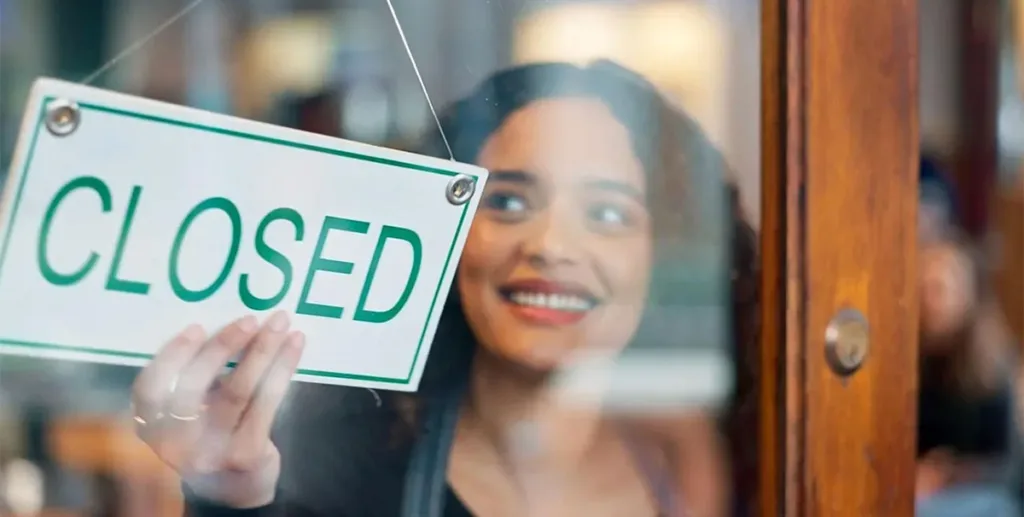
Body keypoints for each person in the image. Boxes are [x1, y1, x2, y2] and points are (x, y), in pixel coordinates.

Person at [129, 61, 759, 517]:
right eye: (509, 200)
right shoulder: (335, 462)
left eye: (610, 214)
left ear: (664, 250)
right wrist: (231, 501)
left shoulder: (711, 459)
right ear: (444, 235)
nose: (552, 245)